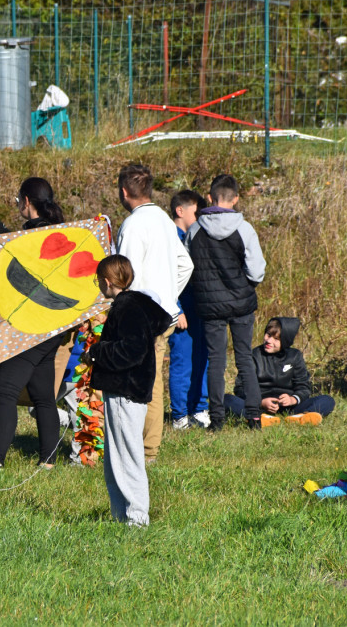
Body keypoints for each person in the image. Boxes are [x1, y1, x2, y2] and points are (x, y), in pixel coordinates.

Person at [85, 255, 172, 527]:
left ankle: (136, 519)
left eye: (99, 280)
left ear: (107, 282)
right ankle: (121, 515)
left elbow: (132, 351)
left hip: (126, 391)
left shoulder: (127, 308)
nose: (98, 284)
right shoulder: (134, 304)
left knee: (127, 457)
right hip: (126, 390)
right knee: (116, 458)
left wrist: (96, 353)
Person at [115, 164, 193, 461]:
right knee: (152, 379)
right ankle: (146, 447)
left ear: (124, 192)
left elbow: (126, 276)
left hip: (141, 317)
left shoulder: (134, 225)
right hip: (164, 314)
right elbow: (186, 264)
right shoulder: (163, 219)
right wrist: (169, 295)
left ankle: (145, 450)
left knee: (143, 380)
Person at [0, 177, 67, 467]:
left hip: (29, 324)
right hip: (55, 324)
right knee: (42, 394)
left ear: (27, 202)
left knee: (6, 388)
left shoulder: (27, 238)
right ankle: (48, 459)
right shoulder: (62, 233)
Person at [185, 174, 266, 431]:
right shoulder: (244, 228)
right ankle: (253, 416)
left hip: (209, 307)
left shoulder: (195, 229)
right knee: (244, 358)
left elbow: (186, 269)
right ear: (236, 198)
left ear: (210, 198)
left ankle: (216, 419)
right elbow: (257, 272)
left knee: (215, 360)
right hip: (241, 304)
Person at [223, 317, 335, 426]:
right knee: (225, 399)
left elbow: (304, 387)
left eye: (276, 339)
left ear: (285, 341)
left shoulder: (295, 356)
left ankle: (300, 417)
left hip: (291, 408)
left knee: (327, 400)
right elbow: (240, 388)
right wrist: (261, 402)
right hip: (258, 406)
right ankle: (261, 417)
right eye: (268, 335)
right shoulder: (253, 355)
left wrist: (293, 399)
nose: (269, 340)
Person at [168, 190, 210, 429]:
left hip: (200, 309)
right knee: (182, 362)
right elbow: (167, 278)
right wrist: (177, 309)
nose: (199, 217)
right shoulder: (170, 239)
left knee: (201, 358)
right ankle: (180, 415)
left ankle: (199, 408)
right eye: (196, 212)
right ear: (180, 211)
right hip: (182, 311)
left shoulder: (195, 236)